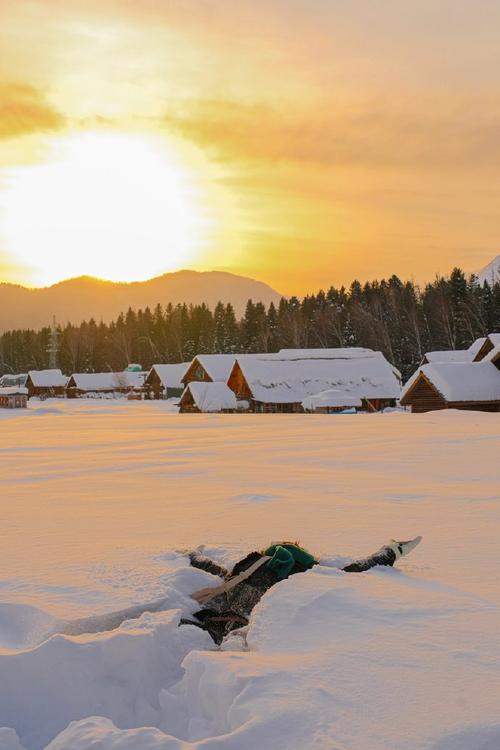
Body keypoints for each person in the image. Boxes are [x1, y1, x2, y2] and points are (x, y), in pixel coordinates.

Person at [181, 536, 422, 644]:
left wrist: (193, 554)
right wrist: (390, 552)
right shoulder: (307, 577)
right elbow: (356, 571)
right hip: (248, 623)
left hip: (229, 617)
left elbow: (214, 570)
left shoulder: (245, 571)